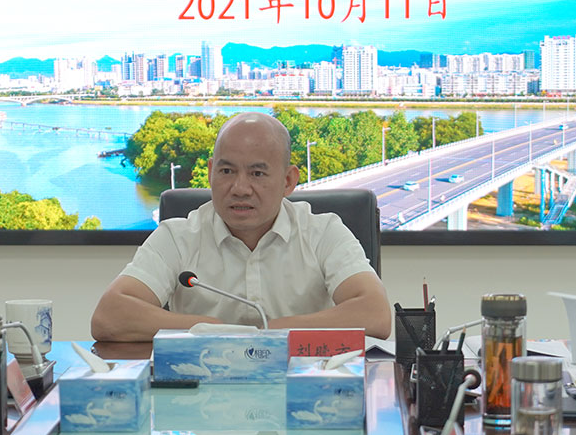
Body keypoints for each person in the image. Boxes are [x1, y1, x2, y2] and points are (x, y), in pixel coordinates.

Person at [91, 112, 391, 341]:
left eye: (257, 174)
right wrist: (216, 331)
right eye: (226, 171)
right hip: (204, 390)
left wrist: (268, 332)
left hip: (304, 387)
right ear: (211, 172)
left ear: (288, 180)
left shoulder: (323, 232)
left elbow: (375, 314)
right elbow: (109, 316)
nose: (240, 188)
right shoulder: (177, 236)